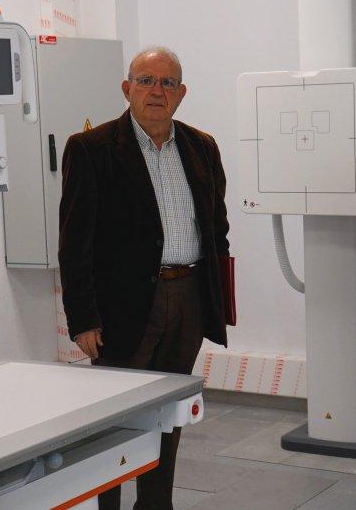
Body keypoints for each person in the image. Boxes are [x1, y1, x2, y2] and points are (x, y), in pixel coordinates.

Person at [57, 46, 230, 510]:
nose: (157, 91)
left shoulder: (202, 148)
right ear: (126, 89)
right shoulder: (91, 150)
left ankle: (155, 505)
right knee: (114, 420)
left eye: (167, 83)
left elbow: (218, 231)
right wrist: (83, 318)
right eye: (146, 81)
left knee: (168, 414)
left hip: (188, 297)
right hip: (122, 307)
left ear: (181, 93)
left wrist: (217, 302)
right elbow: (75, 244)